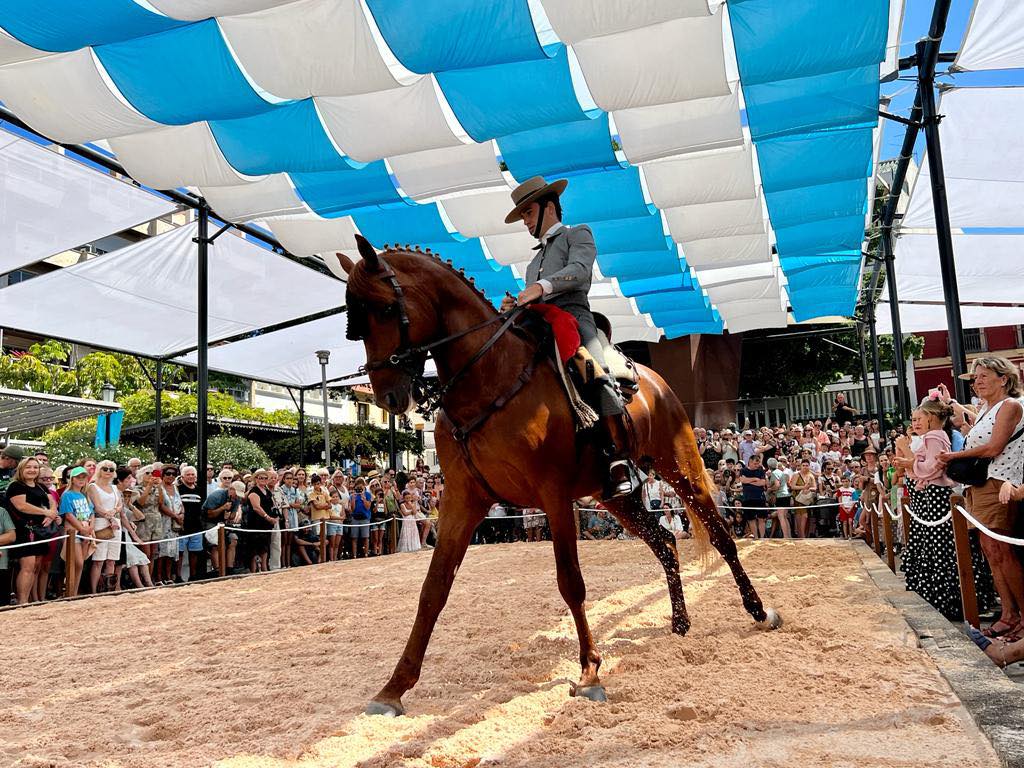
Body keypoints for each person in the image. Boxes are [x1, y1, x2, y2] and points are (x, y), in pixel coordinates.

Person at [501, 175, 633, 496]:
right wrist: (514, 303)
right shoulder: (533, 263)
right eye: (523, 217)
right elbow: (535, 297)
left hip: (575, 320)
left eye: (528, 213)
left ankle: (617, 458)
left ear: (549, 206)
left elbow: (579, 271)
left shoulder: (579, 234)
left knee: (596, 372)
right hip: (538, 325)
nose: (526, 222)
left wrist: (540, 287)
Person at [940, 358, 1024, 640]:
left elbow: (994, 447)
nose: (977, 382)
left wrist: (954, 456)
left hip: (999, 482)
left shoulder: (1011, 406)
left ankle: (1021, 616)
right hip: (980, 485)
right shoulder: (988, 408)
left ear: (1004, 379)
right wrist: (954, 406)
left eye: (983, 376)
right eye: (975, 378)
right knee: (991, 551)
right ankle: (1009, 614)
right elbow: (980, 434)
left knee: (1000, 549)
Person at [5, 457, 61, 603]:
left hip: (41, 532)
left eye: (35, 467)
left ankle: (29, 599)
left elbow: (52, 501)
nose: (32, 470)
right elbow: (21, 506)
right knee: (27, 567)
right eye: (28, 467)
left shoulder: (41, 486)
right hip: (25, 531)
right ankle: (22, 601)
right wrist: (45, 513)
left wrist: (51, 514)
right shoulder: (16, 486)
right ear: (21, 469)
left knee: (36, 567)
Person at [86, 460, 123, 593]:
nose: (108, 472)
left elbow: (120, 505)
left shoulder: (114, 487)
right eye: (105, 469)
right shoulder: (92, 487)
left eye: (111, 469)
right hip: (101, 522)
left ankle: (109, 589)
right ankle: (94, 591)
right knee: (98, 560)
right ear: (99, 470)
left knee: (111, 560)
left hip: (115, 524)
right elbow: (97, 507)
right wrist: (110, 517)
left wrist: (115, 513)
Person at [114, 468, 153, 590]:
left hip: (125, 535)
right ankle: (136, 586)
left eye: (129, 495)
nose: (127, 496)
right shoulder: (114, 493)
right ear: (120, 481)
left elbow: (141, 517)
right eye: (128, 478)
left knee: (141, 559)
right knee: (128, 561)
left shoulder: (123, 500)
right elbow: (122, 517)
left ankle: (147, 584)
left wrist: (130, 504)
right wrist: (134, 534)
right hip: (117, 532)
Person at [202, 479, 243, 573]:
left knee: (233, 540)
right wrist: (222, 508)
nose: (237, 497)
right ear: (231, 489)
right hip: (209, 521)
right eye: (236, 493)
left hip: (224, 522)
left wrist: (230, 515)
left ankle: (229, 568)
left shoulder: (236, 499)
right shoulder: (216, 496)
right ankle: (217, 569)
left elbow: (232, 516)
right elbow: (208, 514)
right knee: (215, 542)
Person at [245, 469, 278, 573]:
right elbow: (256, 507)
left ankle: (264, 567)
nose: (263, 480)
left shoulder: (267, 491)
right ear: (256, 479)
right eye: (261, 478)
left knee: (265, 546)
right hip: (256, 522)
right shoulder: (254, 491)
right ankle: (254, 569)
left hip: (266, 524)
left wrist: (274, 517)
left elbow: (272, 505)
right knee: (255, 547)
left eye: (265, 478)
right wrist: (268, 517)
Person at [155, 466, 183, 585]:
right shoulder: (160, 487)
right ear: (163, 475)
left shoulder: (175, 487)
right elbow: (161, 505)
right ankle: (159, 577)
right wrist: (175, 516)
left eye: (173, 474)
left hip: (174, 523)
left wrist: (181, 515)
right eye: (168, 473)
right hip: (163, 521)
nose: (170, 476)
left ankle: (168, 576)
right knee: (162, 551)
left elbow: (180, 503)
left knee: (171, 551)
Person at [739, 454, 768, 539]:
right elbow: (743, 480)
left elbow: (762, 483)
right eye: (755, 463)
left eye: (758, 463)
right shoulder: (743, 470)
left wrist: (748, 481)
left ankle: (762, 537)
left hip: (759, 498)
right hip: (748, 498)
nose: (757, 465)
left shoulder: (761, 470)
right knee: (751, 519)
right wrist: (755, 479)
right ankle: (756, 537)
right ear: (750, 462)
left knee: (761, 519)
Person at [790, 458, 818, 539]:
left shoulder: (810, 476)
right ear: (801, 466)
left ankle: (803, 536)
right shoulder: (796, 475)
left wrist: (808, 489)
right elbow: (793, 486)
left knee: (806, 518)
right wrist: (803, 487)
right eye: (803, 465)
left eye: (807, 465)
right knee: (800, 518)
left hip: (807, 500)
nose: (805, 467)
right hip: (798, 499)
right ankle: (801, 537)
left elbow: (815, 487)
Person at [347, 478, 372, 559]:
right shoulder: (352, 495)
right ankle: (354, 555)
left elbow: (368, 507)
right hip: (355, 518)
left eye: (360, 488)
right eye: (358, 488)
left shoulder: (367, 494)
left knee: (365, 537)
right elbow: (352, 509)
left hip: (365, 517)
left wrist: (364, 498)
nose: (359, 490)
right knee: (354, 537)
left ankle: (366, 554)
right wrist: (353, 499)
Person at [767, 457, 791, 539]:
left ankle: (785, 536)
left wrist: (770, 489)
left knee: (781, 517)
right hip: (786, 495)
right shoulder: (781, 472)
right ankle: (789, 536)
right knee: (785, 517)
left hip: (781, 496)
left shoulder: (774, 473)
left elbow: (777, 485)